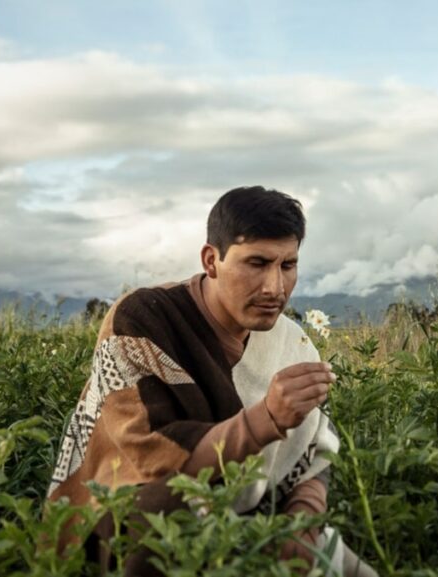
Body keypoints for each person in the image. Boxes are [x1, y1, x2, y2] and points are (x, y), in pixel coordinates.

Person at [47, 186, 376, 576]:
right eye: (256, 263)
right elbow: (152, 459)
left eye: (288, 265)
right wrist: (265, 419)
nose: (275, 287)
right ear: (211, 260)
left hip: (250, 515)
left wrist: (303, 521)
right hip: (123, 522)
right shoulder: (143, 320)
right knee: (165, 512)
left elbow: (313, 448)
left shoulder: (292, 343)